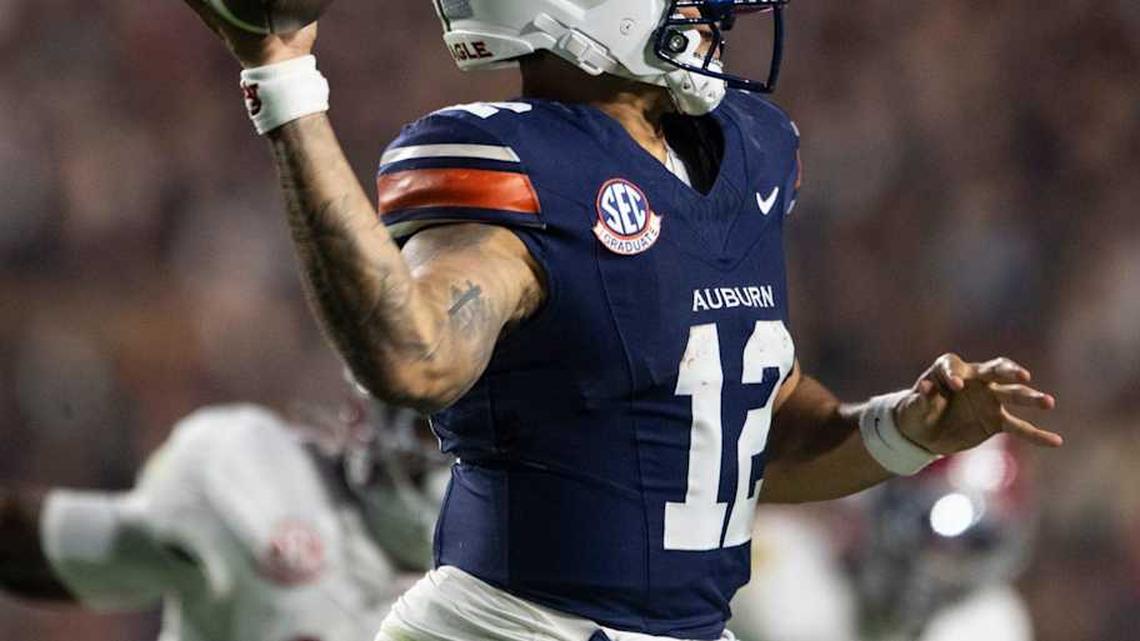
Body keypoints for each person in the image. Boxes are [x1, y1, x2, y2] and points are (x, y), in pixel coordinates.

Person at [180, 1, 1063, 639]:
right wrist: (286, 81)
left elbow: (741, 447)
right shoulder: (518, 165)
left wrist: (901, 429)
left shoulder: (744, 150)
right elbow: (415, 357)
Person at [0, 402, 447, 641]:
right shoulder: (258, 475)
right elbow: (41, 546)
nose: (462, 460)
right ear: (367, 415)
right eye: (437, 430)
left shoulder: (502, 595)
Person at [729, 436, 1036, 641]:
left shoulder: (987, 624)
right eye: (922, 524)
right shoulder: (786, 573)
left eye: (977, 543)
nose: (944, 556)